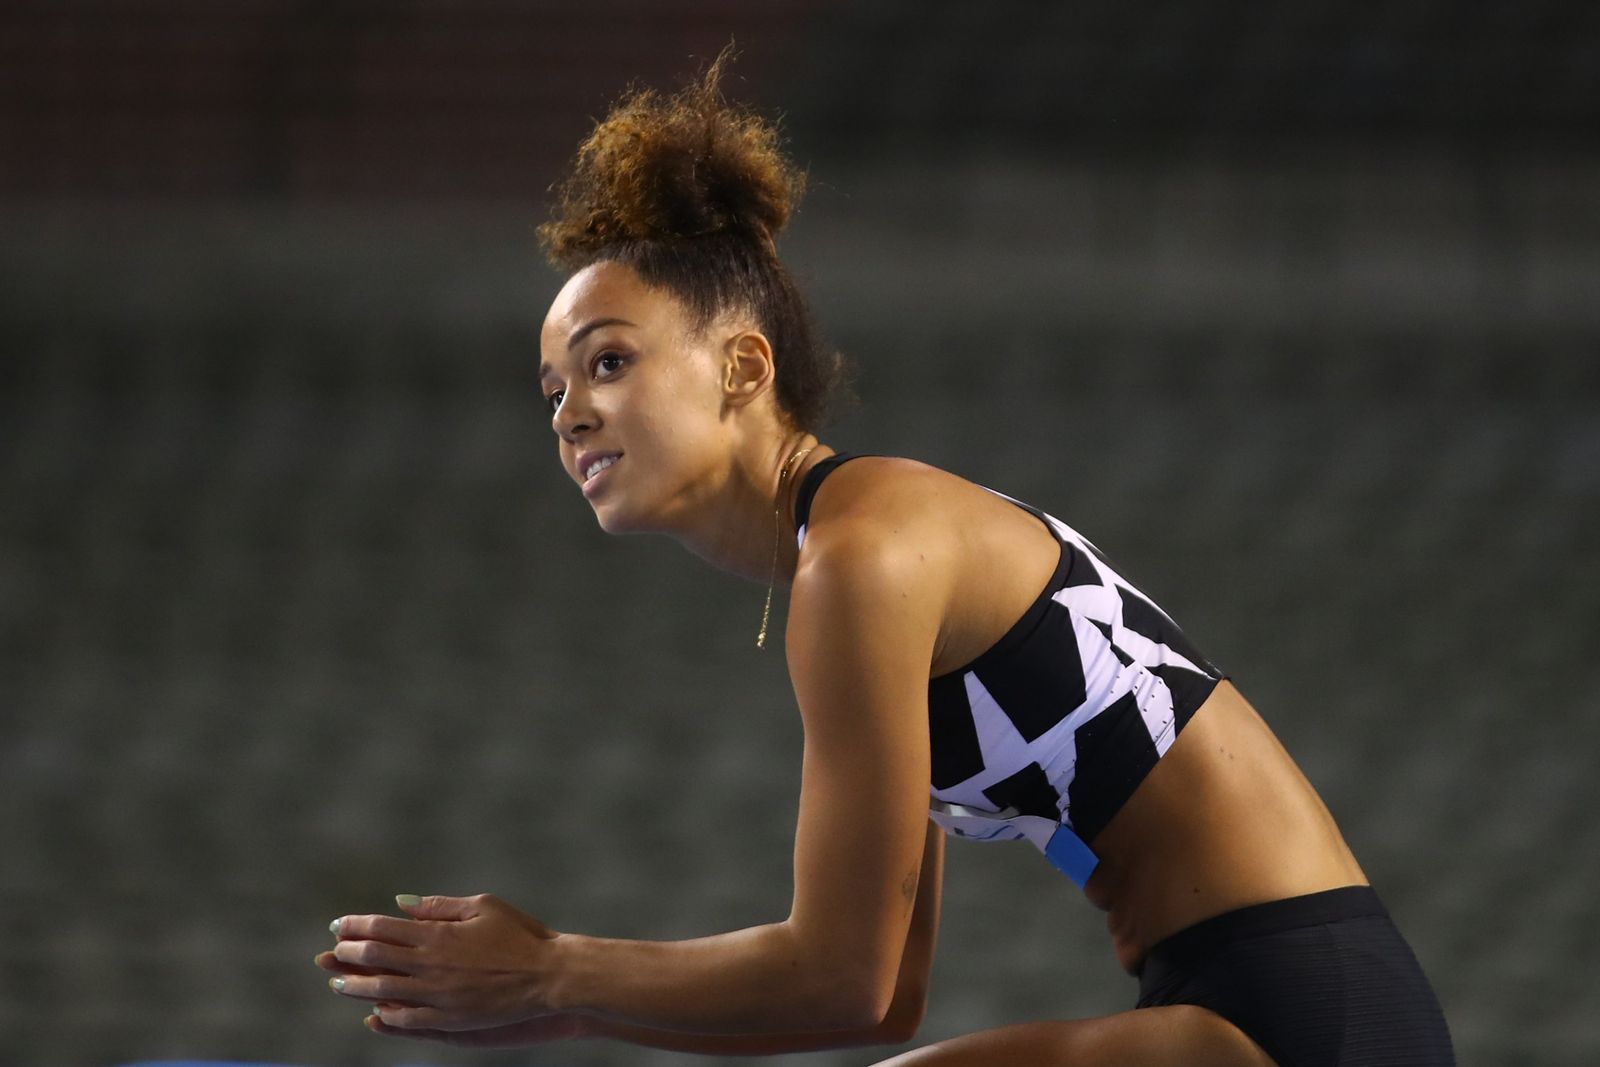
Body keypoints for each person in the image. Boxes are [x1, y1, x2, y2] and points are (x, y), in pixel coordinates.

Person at [315, 52, 1455, 1066]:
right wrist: (564, 1009)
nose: (569, 412)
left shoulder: (866, 558)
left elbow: (841, 973)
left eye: (608, 362)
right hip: (1254, 1005)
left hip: (1301, 1014)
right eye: (553, 387)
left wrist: (556, 964)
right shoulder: (851, 558)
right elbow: (881, 999)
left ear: (742, 370)